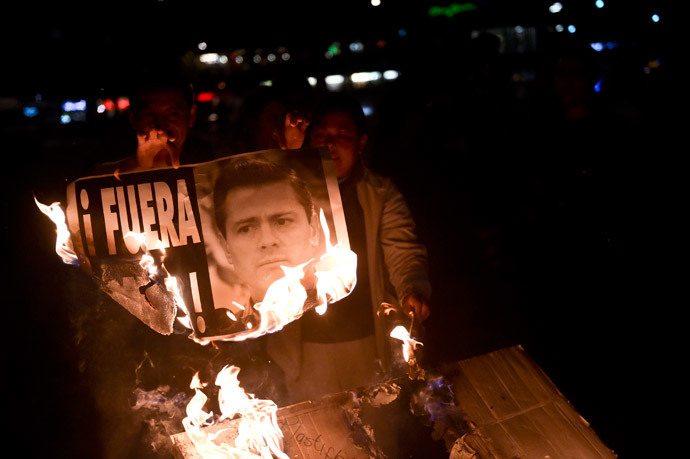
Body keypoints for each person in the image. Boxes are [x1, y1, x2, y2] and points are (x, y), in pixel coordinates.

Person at [266, 93, 432, 405]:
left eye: (343, 135)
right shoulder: (284, 193)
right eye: (321, 136)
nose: (331, 144)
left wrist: (411, 288)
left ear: (361, 142)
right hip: (304, 351)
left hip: (368, 343)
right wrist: (290, 154)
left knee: (374, 437)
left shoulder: (379, 194)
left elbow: (403, 249)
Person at [212, 157, 323, 306]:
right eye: (246, 229)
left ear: (314, 230)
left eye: (282, 222)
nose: (267, 241)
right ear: (226, 247)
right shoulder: (235, 330)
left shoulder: (361, 306)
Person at [93, 72, 213, 175]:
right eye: (149, 114)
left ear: (191, 116)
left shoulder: (213, 162)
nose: (160, 126)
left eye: (173, 114)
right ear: (133, 118)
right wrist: (137, 164)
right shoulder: (109, 153)